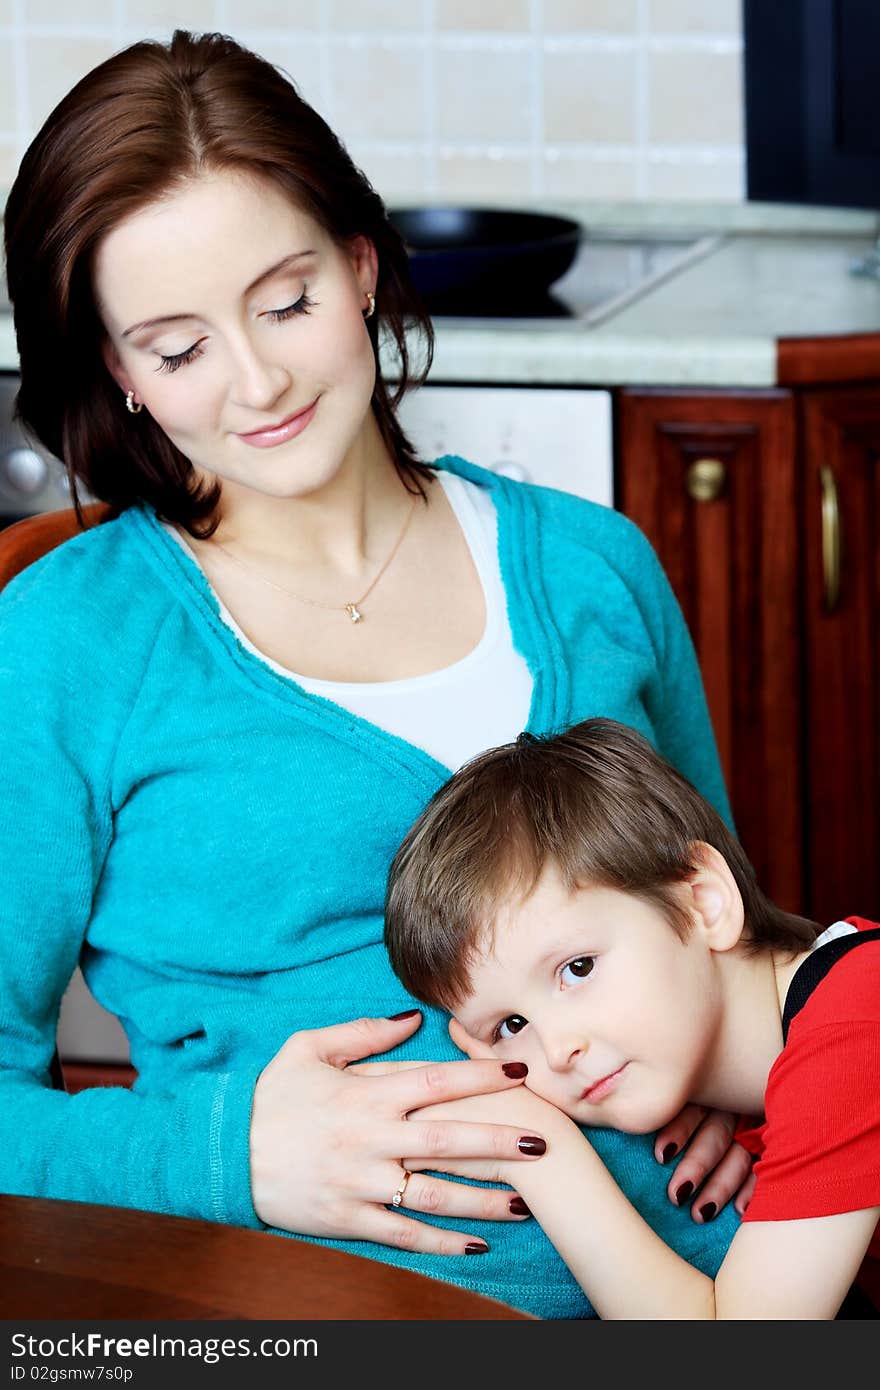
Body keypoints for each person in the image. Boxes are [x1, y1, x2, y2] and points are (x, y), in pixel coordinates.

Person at [1, 30, 745, 1319]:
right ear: (118, 374)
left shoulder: (593, 568)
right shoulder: (69, 641)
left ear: (358, 265)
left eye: (285, 300)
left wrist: (759, 1078)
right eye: (178, 349)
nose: (262, 378)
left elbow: (733, 927)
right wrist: (223, 1155)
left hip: (738, 1280)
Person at [384, 717, 880, 1318]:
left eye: (578, 968)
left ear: (703, 901)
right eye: (511, 1026)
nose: (557, 1047)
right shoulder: (801, 1042)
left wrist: (544, 1159)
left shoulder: (856, 1022)